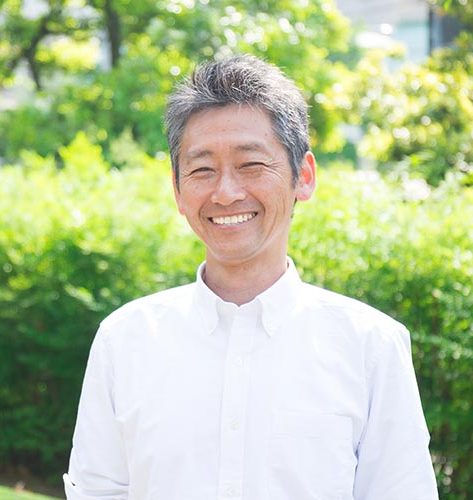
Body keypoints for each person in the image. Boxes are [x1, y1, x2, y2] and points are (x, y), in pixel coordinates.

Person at [63, 54, 439, 500]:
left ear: (303, 176)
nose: (225, 192)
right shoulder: (124, 340)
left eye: (251, 164)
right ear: (178, 191)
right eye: (202, 169)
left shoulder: (371, 346)